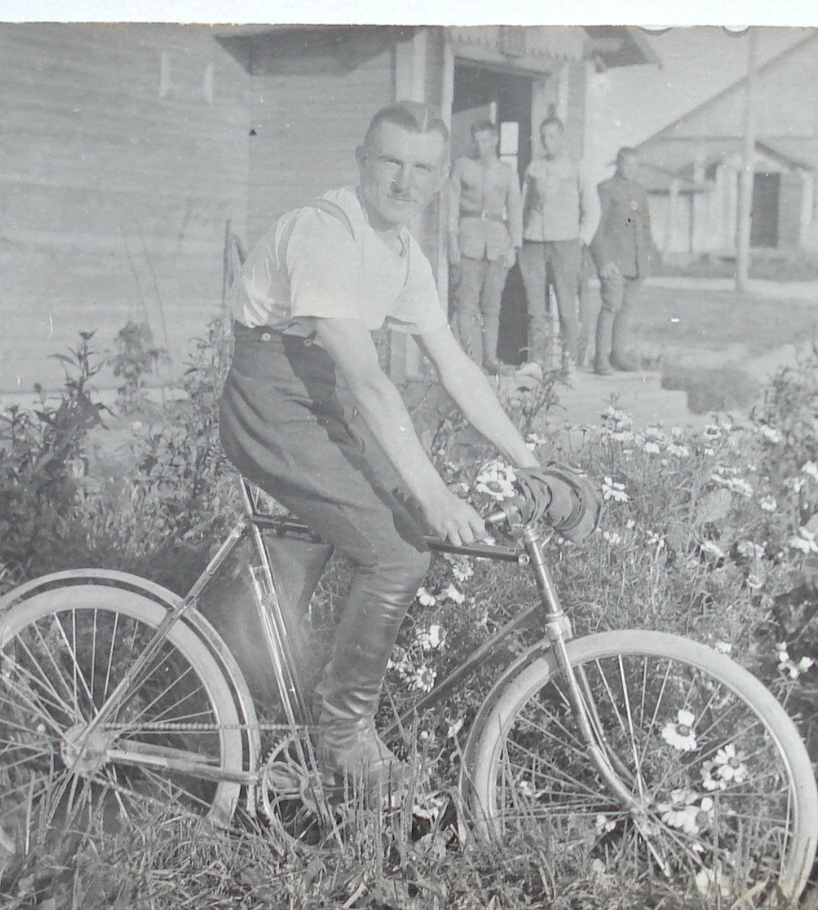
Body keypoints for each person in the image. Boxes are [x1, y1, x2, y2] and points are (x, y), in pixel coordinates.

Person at [217, 101, 540, 797]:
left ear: (441, 178)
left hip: (319, 397)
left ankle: (249, 695)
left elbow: (454, 364)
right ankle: (343, 736)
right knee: (397, 549)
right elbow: (367, 379)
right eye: (390, 161)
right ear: (362, 161)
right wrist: (433, 491)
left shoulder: (402, 253)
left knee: (372, 534)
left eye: (422, 168)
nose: (404, 181)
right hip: (273, 399)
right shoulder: (327, 233)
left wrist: (530, 461)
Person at [519, 117, 593, 377]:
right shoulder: (534, 169)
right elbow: (522, 204)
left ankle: (568, 361)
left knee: (565, 306)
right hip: (534, 244)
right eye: (543, 137)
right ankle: (537, 361)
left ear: (561, 138)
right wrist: (519, 238)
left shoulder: (576, 168)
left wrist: (580, 239)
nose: (547, 142)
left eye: (552, 136)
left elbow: (591, 209)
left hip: (565, 244)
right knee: (535, 307)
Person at [445, 120, 521, 374]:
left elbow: (515, 210)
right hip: (469, 242)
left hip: (498, 244)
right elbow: (452, 206)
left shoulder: (507, 171)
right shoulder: (462, 167)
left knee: (491, 307)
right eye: (477, 141)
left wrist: (514, 246)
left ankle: (490, 359)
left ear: (496, 139)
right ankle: (469, 360)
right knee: (465, 305)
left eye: (486, 140)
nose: (481, 146)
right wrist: (452, 242)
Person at [587, 147, 659, 374]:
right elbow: (595, 230)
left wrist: (648, 259)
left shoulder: (640, 192)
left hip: (636, 263)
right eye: (627, 164)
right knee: (611, 307)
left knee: (627, 310)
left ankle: (617, 354)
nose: (631, 170)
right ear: (617, 164)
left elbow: (645, 228)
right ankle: (600, 358)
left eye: (635, 166)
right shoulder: (605, 189)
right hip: (613, 263)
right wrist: (604, 261)